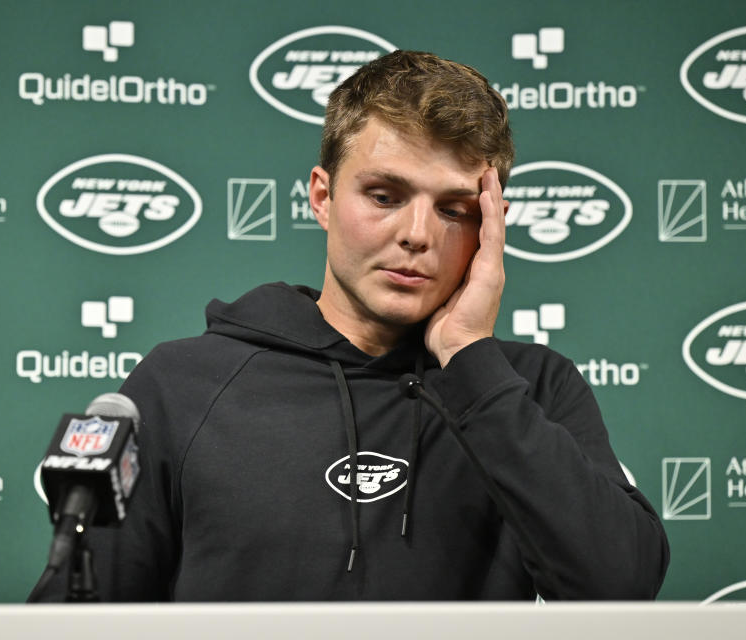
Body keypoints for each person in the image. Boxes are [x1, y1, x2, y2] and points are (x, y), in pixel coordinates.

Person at [68, 50, 668, 601]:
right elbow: (77, 615)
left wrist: (468, 357)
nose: (417, 234)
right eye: (384, 196)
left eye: (454, 210)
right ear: (322, 197)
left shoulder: (531, 388)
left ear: (492, 224)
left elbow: (622, 588)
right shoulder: (182, 385)